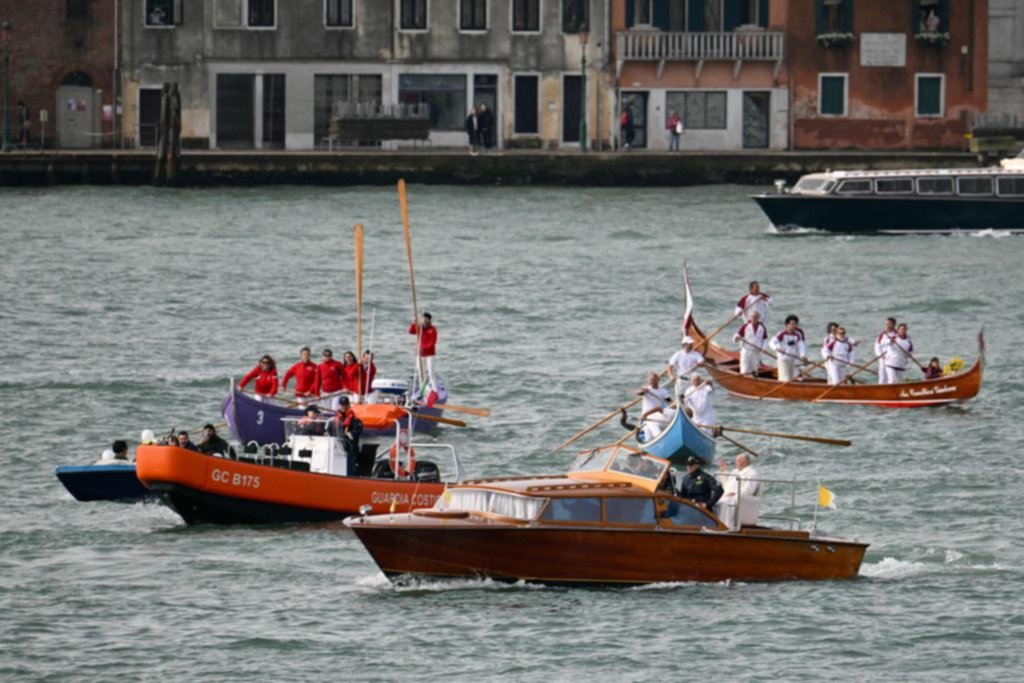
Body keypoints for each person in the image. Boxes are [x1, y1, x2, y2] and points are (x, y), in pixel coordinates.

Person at [715, 453, 761, 528]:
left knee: (727, 501)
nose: (736, 462)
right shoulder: (735, 472)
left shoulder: (752, 473)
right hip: (726, 495)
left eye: (738, 460)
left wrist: (735, 494)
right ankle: (716, 525)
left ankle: (727, 526)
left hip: (738, 497)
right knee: (714, 501)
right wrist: (723, 471)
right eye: (736, 460)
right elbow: (727, 484)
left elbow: (749, 490)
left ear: (745, 462)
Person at [769, 315, 809, 382]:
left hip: (793, 359)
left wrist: (803, 356)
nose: (794, 326)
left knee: (794, 378)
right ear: (787, 324)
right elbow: (771, 342)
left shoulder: (797, 336)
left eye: (795, 324)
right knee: (784, 379)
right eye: (792, 324)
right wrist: (776, 348)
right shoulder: (781, 334)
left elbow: (801, 346)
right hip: (783, 359)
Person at [328, 397, 363, 471]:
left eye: (345, 405)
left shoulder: (355, 419)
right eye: (341, 405)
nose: (343, 407)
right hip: (336, 446)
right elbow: (329, 430)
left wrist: (348, 435)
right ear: (339, 406)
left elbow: (358, 430)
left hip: (350, 448)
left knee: (350, 467)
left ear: (348, 405)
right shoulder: (334, 419)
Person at [636, 372, 672, 441]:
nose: (651, 381)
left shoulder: (663, 391)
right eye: (650, 380)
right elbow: (637, 393)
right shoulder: (647, 390)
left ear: (658, 380)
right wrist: (643, 390)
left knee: (655, 434)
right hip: (646, 416)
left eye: (653, 379)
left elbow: (670, 402)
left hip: (657, 416)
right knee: (648, 437)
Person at [409, 312, 439, 391]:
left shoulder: (433, 329)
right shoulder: (420, 328)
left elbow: (432, 342)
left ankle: (435, 390)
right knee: (421, 373)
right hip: (420, 355)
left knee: (431, 373)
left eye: (426, 320)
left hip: (430, 355)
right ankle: (423, 390)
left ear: (429, 320)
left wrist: (423, 348)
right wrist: (413, 322)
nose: (424, 322)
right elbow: (411, 331)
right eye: (423, 320)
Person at [734, 310, 768, 375]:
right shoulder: (745, 326)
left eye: (755, 317)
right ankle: (744, 380)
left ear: (758, 318)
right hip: (746, 351)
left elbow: (765, 339)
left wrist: (764, 348)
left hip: (756, 351)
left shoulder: (762, 328)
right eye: (752, 317)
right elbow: (737, 335)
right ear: (750, 317)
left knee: (754, 369)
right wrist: (737, 337)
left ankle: (753, 380)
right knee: (745, 368)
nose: (754, 319)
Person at [873, 318, 898, 385]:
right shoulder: (882, 335)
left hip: (893, 358)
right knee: (882, 376)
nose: (887, 325)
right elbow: (877, 346)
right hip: (883, 358)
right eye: (886, 324)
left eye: (889, 324)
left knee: (893, 377)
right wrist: (880, 356)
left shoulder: (898, 335)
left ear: (894, 324)